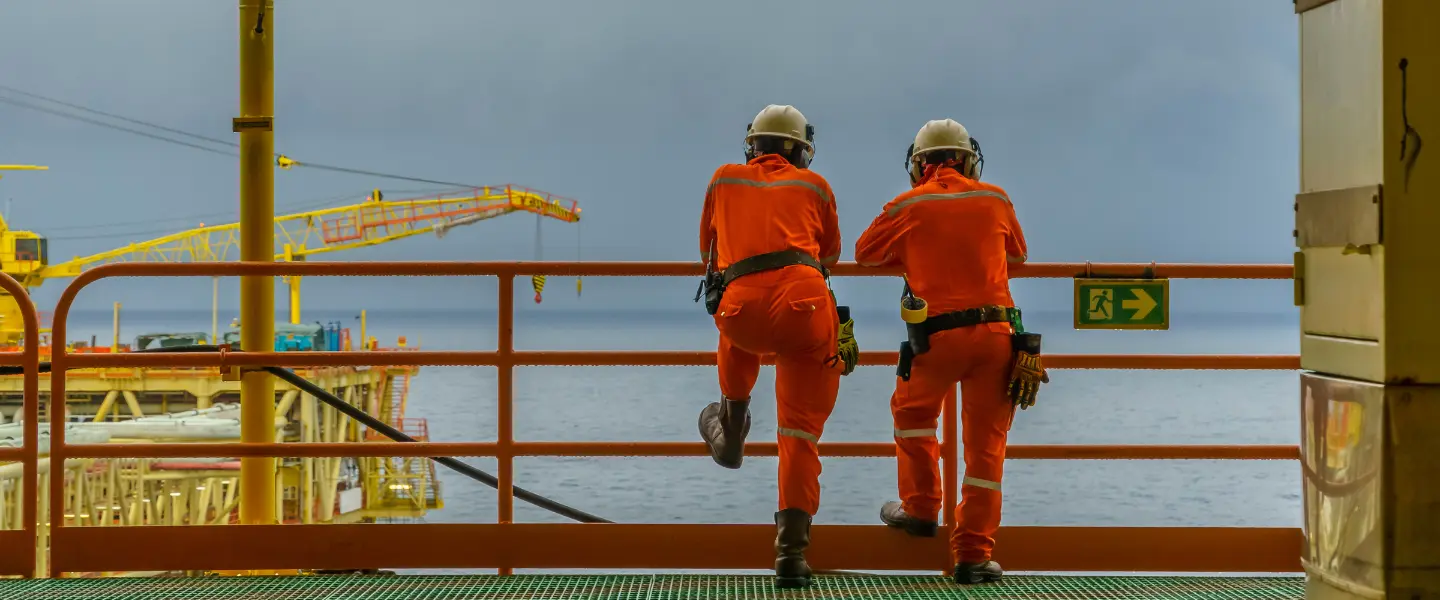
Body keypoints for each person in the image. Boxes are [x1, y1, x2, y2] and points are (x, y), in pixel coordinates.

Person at [854, 119, 1048, 584]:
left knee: (913, 416)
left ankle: (921, 508)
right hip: (997, 338)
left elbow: (864, 253)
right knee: (986, 453)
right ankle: (973, 556)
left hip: (936, 338)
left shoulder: (907, 204)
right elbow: (1016, 256)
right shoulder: (996, 199)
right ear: (968, 160)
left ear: (919, 165)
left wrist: (917, 253)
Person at [695, 104, 859, 589]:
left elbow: (708, 249)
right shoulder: (816, 185)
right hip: (806, 308)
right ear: (800, 151)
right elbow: (829, 253)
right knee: (800, 434)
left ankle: (731, 423)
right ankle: (791, 554)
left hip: (741, 309)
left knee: (735, 324)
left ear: (753, 146)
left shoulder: (723, 179)